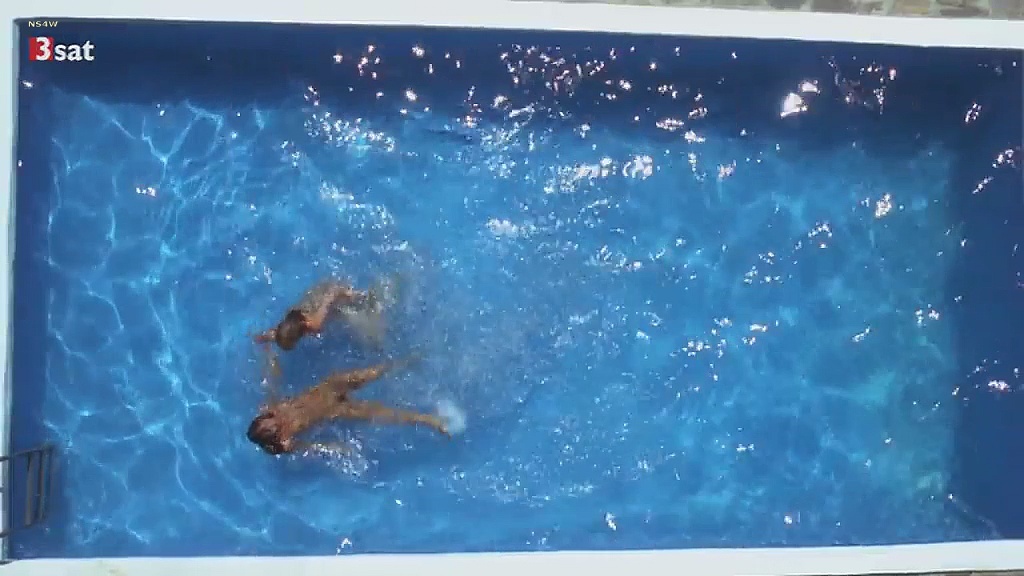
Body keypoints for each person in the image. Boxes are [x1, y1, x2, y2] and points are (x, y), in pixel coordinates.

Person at [246, 353, 450, 456]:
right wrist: (335, 448)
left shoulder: (272, 407)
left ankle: (408, 361)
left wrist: (269, 359)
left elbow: (271, 384)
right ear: (272, 436)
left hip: (330, 387)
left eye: (269, 419)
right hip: (335, 410)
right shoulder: (284, 442)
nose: (276, 420)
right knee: (384, 414)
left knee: (374, 372)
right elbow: (310, 447)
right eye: (273, 427)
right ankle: (429, 420)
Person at [254, 277, 392, 352]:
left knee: (371, 325)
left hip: (332, 294)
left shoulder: (315, 323)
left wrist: (348, 294)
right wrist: (263, 338)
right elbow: (276, 333)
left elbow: (331, 297)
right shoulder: (290, 318)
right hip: (318, 292)